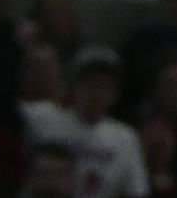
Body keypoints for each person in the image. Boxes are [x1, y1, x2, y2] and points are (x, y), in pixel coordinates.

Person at [20, 47, 146, 198]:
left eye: (105, 86)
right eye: (90, 84)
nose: (96, 93)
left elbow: (137, 190)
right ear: (74, 86)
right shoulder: (43, 117)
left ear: (115, 94)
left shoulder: (125, 138)